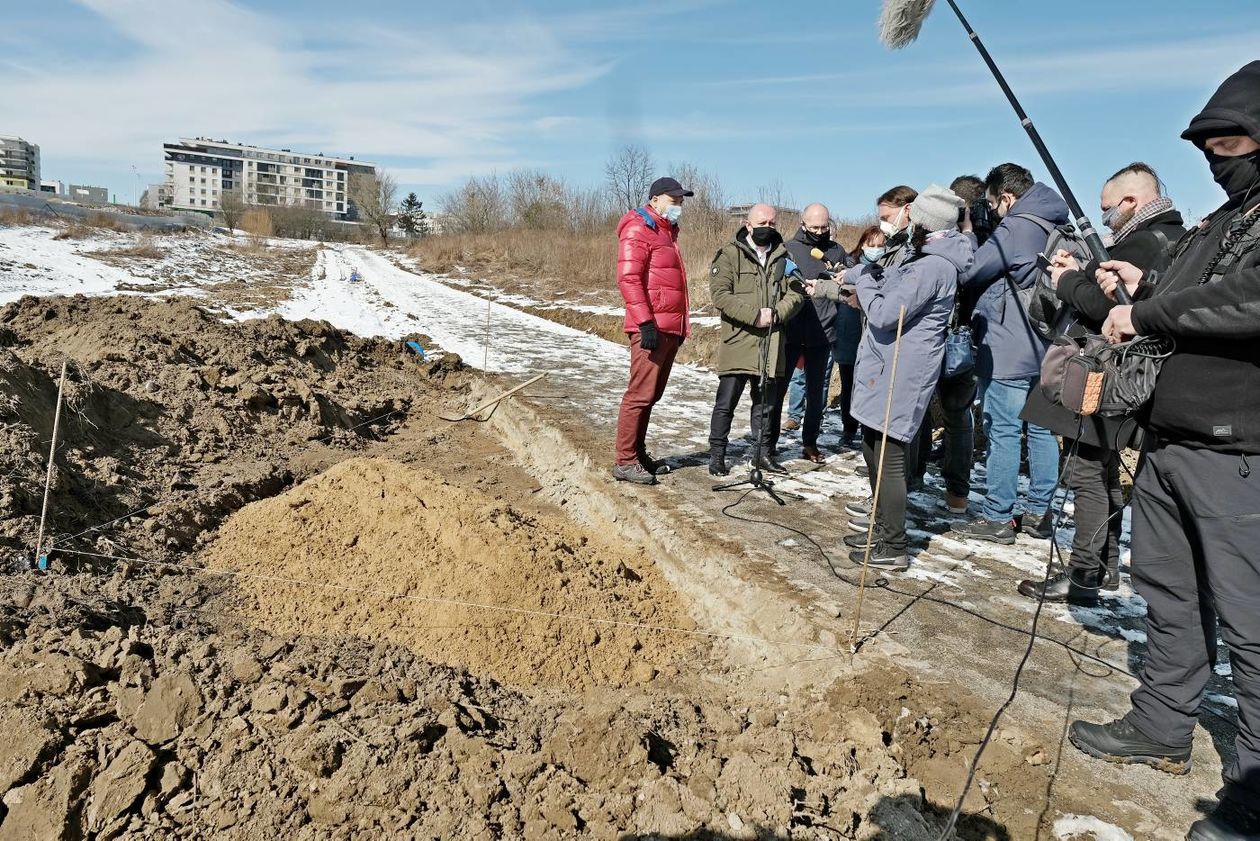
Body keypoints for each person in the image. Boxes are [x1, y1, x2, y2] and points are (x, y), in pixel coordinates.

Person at [1070, 61, 1260, 841]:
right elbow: (1175, 294)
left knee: (1251, 620)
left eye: (1235, 140)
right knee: (1168, 593)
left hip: (1239, 451)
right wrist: (1133, 284)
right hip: (1169, 442)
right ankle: (1161, 723)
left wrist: (1148, 314)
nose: (1219, 156)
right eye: (1209, 144)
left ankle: (1254, 788)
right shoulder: (1217, 221)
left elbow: (1243, 301)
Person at [1016, 162, 1185, 603]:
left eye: (1108, 209)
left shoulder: (1148, 241)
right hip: (1120, 375)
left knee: (1086, 472)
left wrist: (1065, 278)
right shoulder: (1171, 238)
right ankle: (1104, 567)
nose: (1105, 217)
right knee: (1101, 470)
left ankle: (1082, 575)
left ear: (1131, 202)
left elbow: (1102, 306)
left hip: (1105, 375)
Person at [811, 185, 971, 569]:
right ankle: (879, 530)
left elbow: (886, 314)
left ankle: (894, 544)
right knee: (872, 447)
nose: (898, 223)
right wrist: (858, 277)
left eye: (909, 217)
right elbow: (887, 285)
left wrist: (864, 279)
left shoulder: (933, 266)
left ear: (924, 223)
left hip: (903, 371)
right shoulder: (921, 258)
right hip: (887, 366)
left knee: (889, 458)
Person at [949, 163, 1065, 545]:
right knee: (1043, 429)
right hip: (1045, 344)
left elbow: (971, 272)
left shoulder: (1016, 226)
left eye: (995, 203)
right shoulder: (1056, 221)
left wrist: (969, 236)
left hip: (1008, 346)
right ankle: (1038, 513)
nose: (994, 210)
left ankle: (998, 517)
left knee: (1004, 429)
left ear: (1008, 198)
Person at [707, 204, 806, 477]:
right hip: (739, 342)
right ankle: (717, 455)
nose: (768, 227)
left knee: (765, 407)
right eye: (762, 222)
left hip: (771, 345)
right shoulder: (729, 255)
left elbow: (797, 293)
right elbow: (721, 296)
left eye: (773, 223)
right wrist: (754, 317)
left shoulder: (784, 257)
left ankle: (762, 455)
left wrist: (777, 314)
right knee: (726, 403)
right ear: (748, 225)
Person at [612, 176, 693, 486]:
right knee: (639, 395)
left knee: (651, 395)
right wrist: (645, 322)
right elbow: (629, 279)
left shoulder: (666, 232)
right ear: (656, 200)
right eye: (675, 201)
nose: (679, 207)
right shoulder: (638, 229)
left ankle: (637, 453)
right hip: (651, 327)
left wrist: (680, 326)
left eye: (681, 201)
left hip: (668, 327)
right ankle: (625, 460)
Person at [775, 203, 847, 463]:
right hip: (791, 332)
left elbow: (848, 288)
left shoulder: (836, 251)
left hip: (823, 333)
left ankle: (810, 443)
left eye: (824, 226)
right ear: (803, 223)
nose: (819, 231)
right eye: (814, 227)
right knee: (778, 388)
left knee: (818, 393)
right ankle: (769, 443)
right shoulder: (787, 249)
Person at [830, 226, 883, 448]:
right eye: (872, 245)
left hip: (873, 338)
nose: (876, 250)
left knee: (870, 387)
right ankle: (849, 429)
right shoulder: (849, 267)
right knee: (849, 385)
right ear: (862, 245)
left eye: (881, 246)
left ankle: (868, 431)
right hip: (850, 334)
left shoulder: (886, 267)